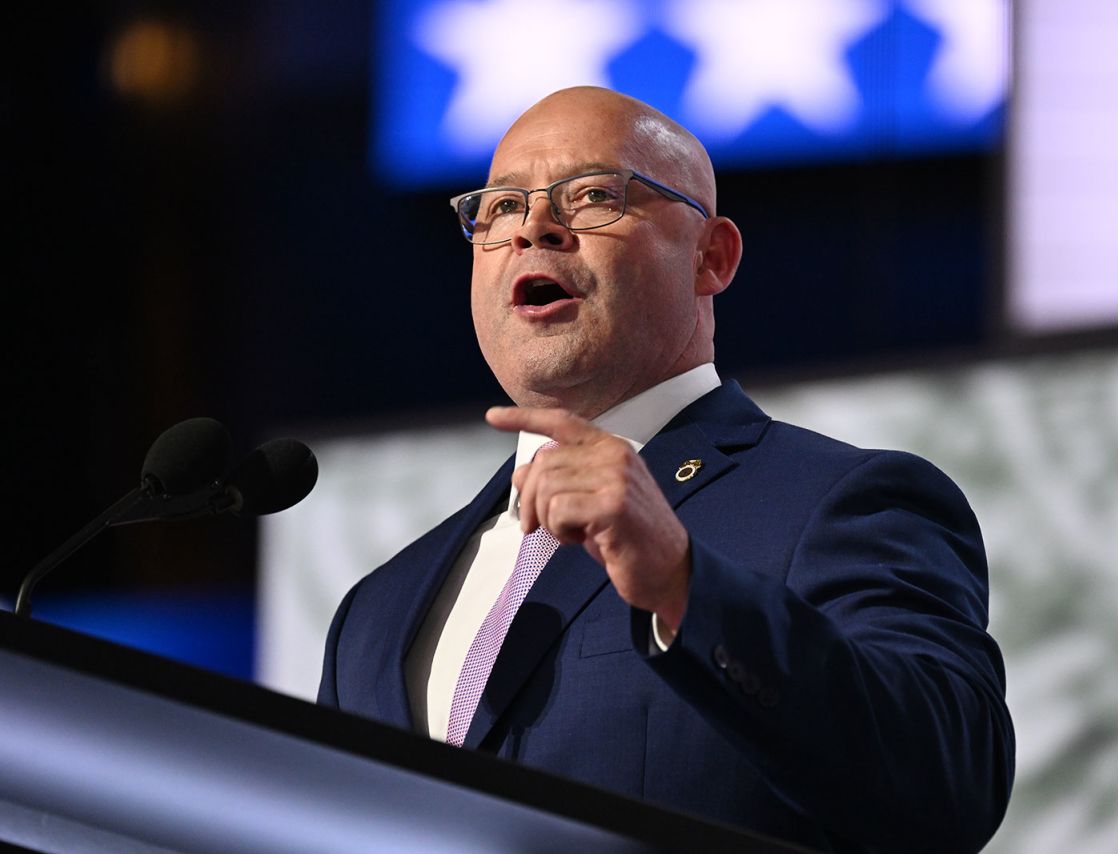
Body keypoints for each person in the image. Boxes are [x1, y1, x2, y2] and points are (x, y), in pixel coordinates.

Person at [319, 86, 1014, 852]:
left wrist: (685, 587)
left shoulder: (843, 504)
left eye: (591, 196)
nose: (534, 228)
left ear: (709, 258)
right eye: (500, 207)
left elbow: (950, 782)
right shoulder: (374, 615)